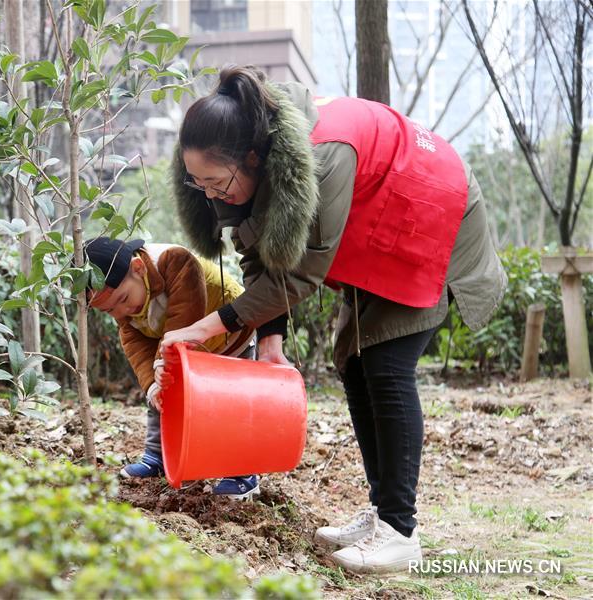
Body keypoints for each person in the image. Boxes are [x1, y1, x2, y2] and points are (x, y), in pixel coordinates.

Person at [160, 66, 506, 572]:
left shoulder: (318, 161)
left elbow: (297, 276)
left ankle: (400, 532)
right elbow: (262, 258)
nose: (209, 194)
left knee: (385, 366)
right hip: (375, 228)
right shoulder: (242, 171)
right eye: (197, 183)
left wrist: (206, 325)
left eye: (216, 182)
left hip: (430, 215)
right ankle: (381, 514)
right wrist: (271, 339)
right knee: (355, 363)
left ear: (253, 158)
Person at [85, 236, 260, 499]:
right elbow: (136, 346)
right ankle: (157, 457)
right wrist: (152, 383)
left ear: (138, 268)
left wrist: (162, 361)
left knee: (234, 404)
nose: (121, 313)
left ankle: (241, 472)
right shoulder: (127, 310)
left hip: (229, 335)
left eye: (123, 299)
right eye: (110, 311)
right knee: (161, 396)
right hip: (180, 350)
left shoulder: (174, 261)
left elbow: (186, 313)